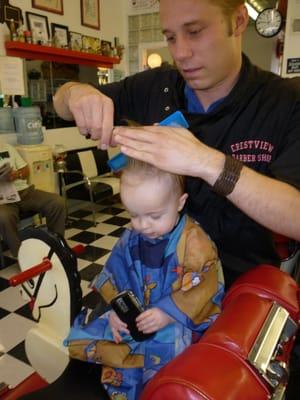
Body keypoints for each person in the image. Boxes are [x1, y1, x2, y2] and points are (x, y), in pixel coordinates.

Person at [53, 0, 300, 288]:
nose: (180, 53)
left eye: (194, 31)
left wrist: (206, 162)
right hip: (158, 278)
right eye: (170, 37)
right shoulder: (155, 87)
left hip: (241, 290)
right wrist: (75, 92)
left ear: (238, 20)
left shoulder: (285, 101)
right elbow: (61, 104)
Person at [64, 158, 224, 400]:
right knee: (93, 332)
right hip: (138, 313)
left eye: (154, 216)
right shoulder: (132, 235)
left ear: (179, 203)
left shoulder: (195, 243)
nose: (143, 225)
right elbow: (117, 274)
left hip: (178, 319)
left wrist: (166, 314)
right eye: (134, 215)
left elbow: (203, 288)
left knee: (168, 356)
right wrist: (118, 311)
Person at [0, 142, 66, 258]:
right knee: (4, 216)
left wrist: (15, 175)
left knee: (57, 202)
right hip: (2, 199)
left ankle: (56, 246)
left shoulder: (6, 147)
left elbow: (26, 170)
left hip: (24, 192)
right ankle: (21, 256)